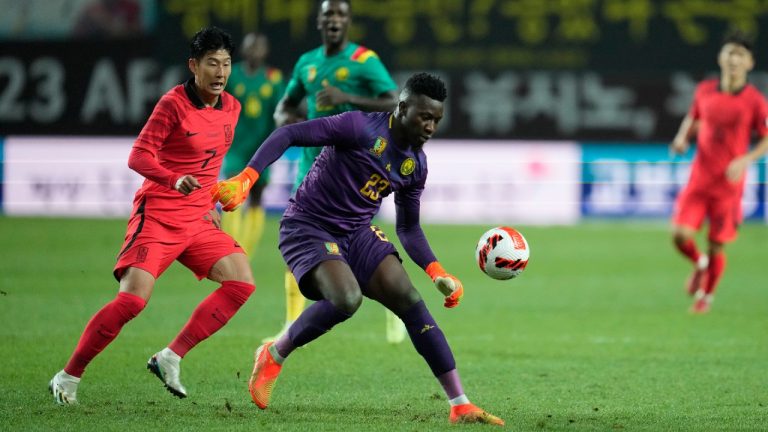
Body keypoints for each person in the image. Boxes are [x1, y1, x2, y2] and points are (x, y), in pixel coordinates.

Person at [212, 72, 504, 426]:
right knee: (347, 299)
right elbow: (289, 133)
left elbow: (408, 227)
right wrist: (247, 177)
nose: (430, 127)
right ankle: (274, 353)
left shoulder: (416, 165)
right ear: (402, 107)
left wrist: (436, 270)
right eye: (424, 117)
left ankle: (460, 403)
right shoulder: (359, 128)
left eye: (437, 120)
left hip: (357, 232)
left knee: (409, 299)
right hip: (308, 225)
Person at [49, 27, 255, 405]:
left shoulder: (232, 108)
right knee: (132, 302)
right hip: (158, 215)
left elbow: (211, 163)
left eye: (226, 64)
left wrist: (211, 203)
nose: (220, 72)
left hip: (197, 220)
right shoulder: (172, 104)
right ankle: (67, 377)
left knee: (241, 283)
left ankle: (170, 356)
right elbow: (138, 156)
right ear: (194, 66)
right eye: (212, 63)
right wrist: (173, 179)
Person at [267, 0, 404, 344]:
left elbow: (395, 102)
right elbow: (286, 105)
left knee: (363, 243)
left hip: (353, 174)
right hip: (311, 169)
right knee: (298, 245)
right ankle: (291, 321)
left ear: (348, 22)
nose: (334, 20)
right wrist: (285, 120)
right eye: (329, 14)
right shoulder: (307, 63)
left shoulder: (364, 61)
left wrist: (346, 96)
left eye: (341, 14)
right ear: (319, 20)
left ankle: (395, 309)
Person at [670, 31, 768, 314]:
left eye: (740, 54)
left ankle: (705, 298)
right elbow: (694, 115)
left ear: (749, 63)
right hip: (699, 179)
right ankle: (699, 265)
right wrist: (681, 137)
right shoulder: (705, 90)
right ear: (720, 58)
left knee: (716, 246)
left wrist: (745, 159)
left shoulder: (755, 101)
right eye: (730, 53)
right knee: (679, 235)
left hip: (728, 186)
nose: (734, 59)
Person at [221, 32, 285, 256]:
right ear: (244, 50)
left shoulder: (273, 78)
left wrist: (277, 141)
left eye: (258, 48)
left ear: (265, 52)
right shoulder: (232, 75)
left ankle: (245, 251)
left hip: (262, 148)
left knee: (256, 196)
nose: (254, 52)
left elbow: (280, 113)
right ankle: (230, 246)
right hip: (236, 147)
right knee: (231, 195)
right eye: (250, 47)